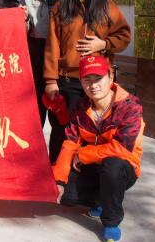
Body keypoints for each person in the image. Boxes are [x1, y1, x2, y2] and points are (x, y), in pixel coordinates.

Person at [44, 0, 131, 164]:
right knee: (63, 131)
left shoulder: (106, 6)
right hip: (68, 82)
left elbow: (124, 36)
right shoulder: (60, 7)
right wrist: (50, 81)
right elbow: (52, 47)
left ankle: (86, 176)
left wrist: (103, 44)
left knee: (94, 131)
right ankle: (57, 175)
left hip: (97, 83)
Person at [54, 55, 144, 242]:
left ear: (111, 77)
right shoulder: (81, 108)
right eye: (87, 80)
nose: (93, 85)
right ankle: (100, 200)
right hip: (93, 167)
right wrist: (59, 180)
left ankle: (111, 222)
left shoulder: (130, 107)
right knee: (64, 196)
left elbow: (122, 148)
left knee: (112, 166)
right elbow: (70, 142)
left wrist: (83, 154)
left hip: (123, 168)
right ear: (81, 82)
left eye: (98, 78)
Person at [22, 0, 66, 128]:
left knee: (62, 121)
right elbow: (23, 32)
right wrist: (22, 20)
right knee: (34, 120)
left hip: (63, 60)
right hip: (37, 60)